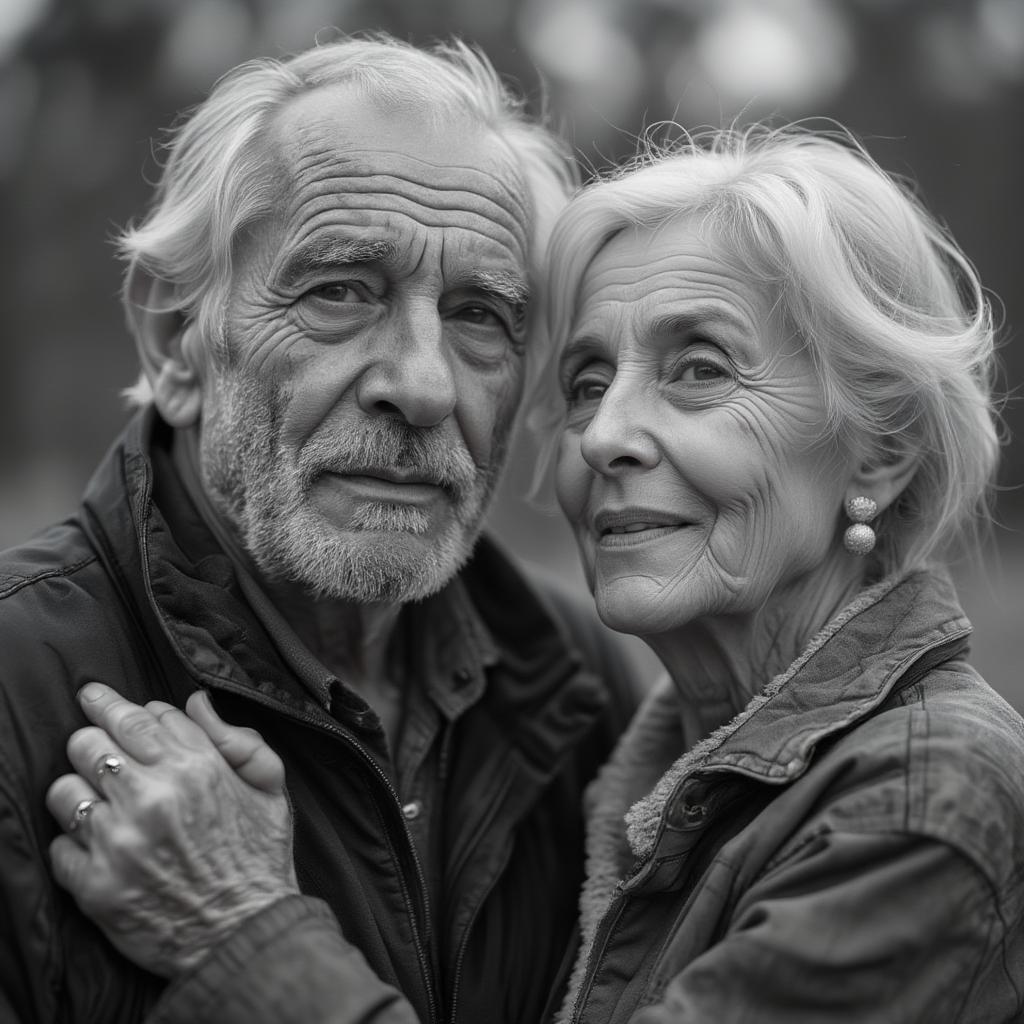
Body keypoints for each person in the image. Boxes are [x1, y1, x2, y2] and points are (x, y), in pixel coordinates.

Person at [52, 124, 1024, 1023]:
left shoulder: (920, 803)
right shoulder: (626, 762)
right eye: (587, 382)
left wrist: (242, 928)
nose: (603, 435)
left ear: (878, 451)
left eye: (700, 369)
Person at [0, 34, 640, 1024]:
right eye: (341, 290)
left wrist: (241, 937)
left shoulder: (578, 679)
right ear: (178, 342)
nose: (423, 385)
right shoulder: (15, 690)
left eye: (480, 316)